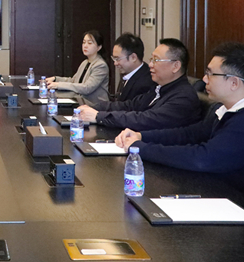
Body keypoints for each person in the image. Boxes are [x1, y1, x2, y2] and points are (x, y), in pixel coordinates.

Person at [115, 42, 244, 191]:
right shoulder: (222, 110)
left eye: (211, 74)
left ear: (234, 83)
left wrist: (142, 148)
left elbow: (203, 158)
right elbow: (188, 134)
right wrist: (141, 136)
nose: (204, 79)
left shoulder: (240, 121)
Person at [79, 38, 200, 131]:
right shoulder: (159, 89)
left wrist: (98, 116)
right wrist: (94, 108)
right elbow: (129, 106)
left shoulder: (183, 97)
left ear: (176, 66)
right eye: (151, 60)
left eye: (156, 60)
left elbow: (145, 119)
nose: (150, 65)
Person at [46, 30, 109, 105]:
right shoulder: (85, 62)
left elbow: (86, 88)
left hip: (96, 105)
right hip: (81, 101)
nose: (85, 46)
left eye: (89, 43)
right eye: (84, 42)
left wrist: (58, 85)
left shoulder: (100, 65)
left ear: (99, 47)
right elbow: (73, 81)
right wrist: (55, 79)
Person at [111, 33, 156, 101]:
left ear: (133, 57)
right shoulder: (128, 72)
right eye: (114, 59)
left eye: (118, 59)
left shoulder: (146, 82)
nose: (115, 63)